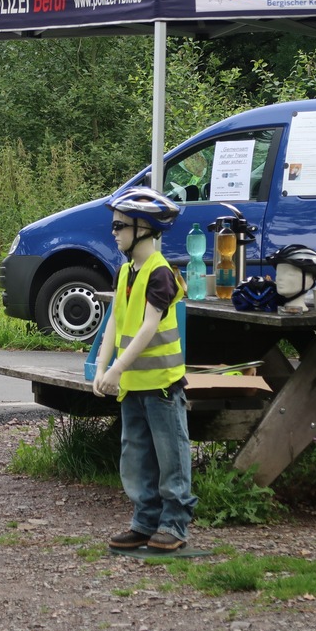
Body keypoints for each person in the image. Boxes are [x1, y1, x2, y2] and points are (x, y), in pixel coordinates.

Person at [91, 186, 196, 552]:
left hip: (163, 386)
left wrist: (116, 368)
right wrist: (102, 366)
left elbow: (150, 326)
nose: (115, 231)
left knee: (171, 456)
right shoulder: (125, 272)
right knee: (135, 456)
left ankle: (175, 524)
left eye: (120, 225)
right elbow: (114, 323)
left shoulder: (160, 273)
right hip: (132, 384)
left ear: (144, 229)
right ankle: (145, 521)